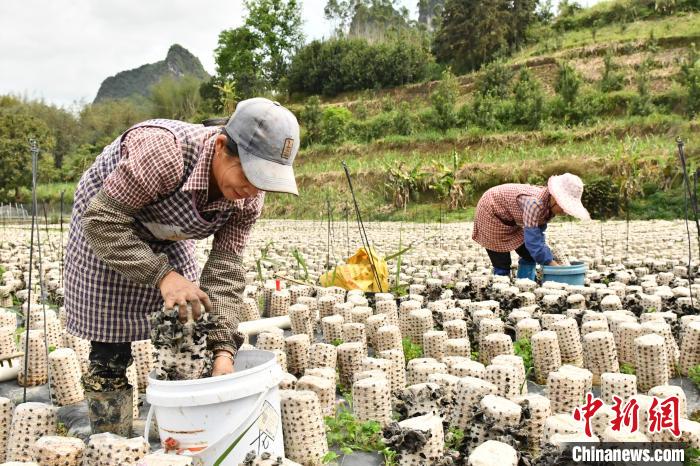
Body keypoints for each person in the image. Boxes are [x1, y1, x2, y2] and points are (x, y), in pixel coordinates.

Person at [63, 97, 300, 429]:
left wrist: (224, 353)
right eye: (249, 174)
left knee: (190, 319)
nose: (251, 190)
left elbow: (224, 271)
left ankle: (185, 426)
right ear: (221, 147)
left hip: (168, 233)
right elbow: (102, 221)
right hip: (109, 219)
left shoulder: (247, 199)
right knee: (110, 346)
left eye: (263, 181)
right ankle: (111, 441)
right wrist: (162, 275)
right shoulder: (164, 152)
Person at [471, 173, 590, 280]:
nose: (565, 211)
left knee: (529, 255)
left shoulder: (548, 208)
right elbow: (533, 242)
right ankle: (501, 283)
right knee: (502, 262)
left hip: (509, 219)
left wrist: (547, 256)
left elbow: (538, 235)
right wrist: (550, 263)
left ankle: (525, 282)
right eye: (564, 206)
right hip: (490, 212)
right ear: (555, 198)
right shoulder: (534, 204)